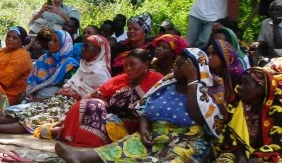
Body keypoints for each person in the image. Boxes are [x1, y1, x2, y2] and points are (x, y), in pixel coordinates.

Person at [55, 48, 226, 163]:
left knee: (169, 157)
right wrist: (144, 130)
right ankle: (80, 156)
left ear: (192, 69)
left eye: (181, 65)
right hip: (156, 135)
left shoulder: (206, 88)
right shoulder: (167, 83)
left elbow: (197, 115)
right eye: (175, 64)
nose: (175, 68)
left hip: (187, 141)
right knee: (130, 143)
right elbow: (146, 109)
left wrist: (192, 81)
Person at [0, 34, 112, 136]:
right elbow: (69, 87)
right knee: (30, 111)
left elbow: (98, 100)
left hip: (75, 106)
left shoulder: (100, 72)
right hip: (62, 99)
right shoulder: (84, 65)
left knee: (38, 119)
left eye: (86, 46)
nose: (82, 49)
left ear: (98, 51)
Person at [57, 49, 163, 147]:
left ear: (146, 64)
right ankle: (67, 133)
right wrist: (68, 115)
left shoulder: (156, 79)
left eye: (132, 65)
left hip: (136, 129)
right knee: (90, 104)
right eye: (126, 65)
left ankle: (75, 142)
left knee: (89, 128)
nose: (128, 69)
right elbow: (94, 94)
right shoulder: (120, 79)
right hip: (110, 122)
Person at [216, 68, 282, 162]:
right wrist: (239, 154)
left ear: (260, 88)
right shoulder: (235, 106)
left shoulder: (277, 108)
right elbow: (228, 135)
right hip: (240, 151)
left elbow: (279, 142)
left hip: (268, 154)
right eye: (240, 83)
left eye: (246, 83)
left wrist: (259, 156)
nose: (240, 87)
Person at [26, 30, 80, 100]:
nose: (50, 43)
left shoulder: (69, 63)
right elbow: (32, 80)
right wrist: (30, 93)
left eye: (55, 41)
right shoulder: (43, 58)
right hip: (34, 96)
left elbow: (68, 89)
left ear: (64, 44)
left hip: (56, 100)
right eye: (50, 40)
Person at [0, 26, 32, 105]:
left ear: (21, 42)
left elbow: (5, 79)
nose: (10, 39)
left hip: (9, 95)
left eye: (14, 38)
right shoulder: (4, 50)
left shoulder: (22, 56)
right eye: (8, 36)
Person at [206, 39, 245, 104]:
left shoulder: (236, 73)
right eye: (208, 54)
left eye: (214, 54)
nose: (209, 57)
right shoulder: (210, 71)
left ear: (223, 55)